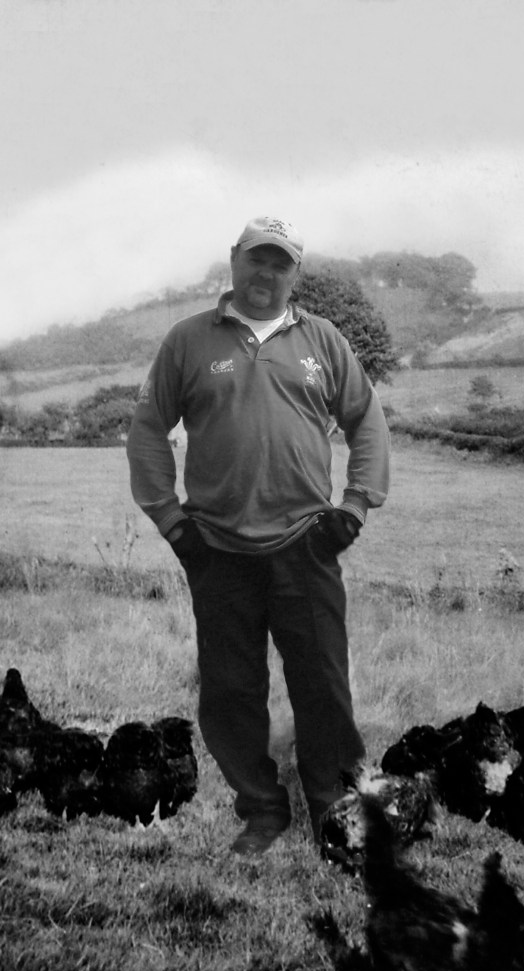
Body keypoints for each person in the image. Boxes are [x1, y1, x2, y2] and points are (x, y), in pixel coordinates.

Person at [126, 215, 390, 856]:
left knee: (323, 684)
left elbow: (367, 421)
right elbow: (147, 430)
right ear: (234, 261)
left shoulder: (324, 340)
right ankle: (263, 811)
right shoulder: (188, 340)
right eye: (257, 259)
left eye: (280, 263)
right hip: (216, 548)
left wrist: (352, 509)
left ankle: (332, 813)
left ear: (294, 273)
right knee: (231, 690)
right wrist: (172, 523)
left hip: (307, 542)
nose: (266, 273)